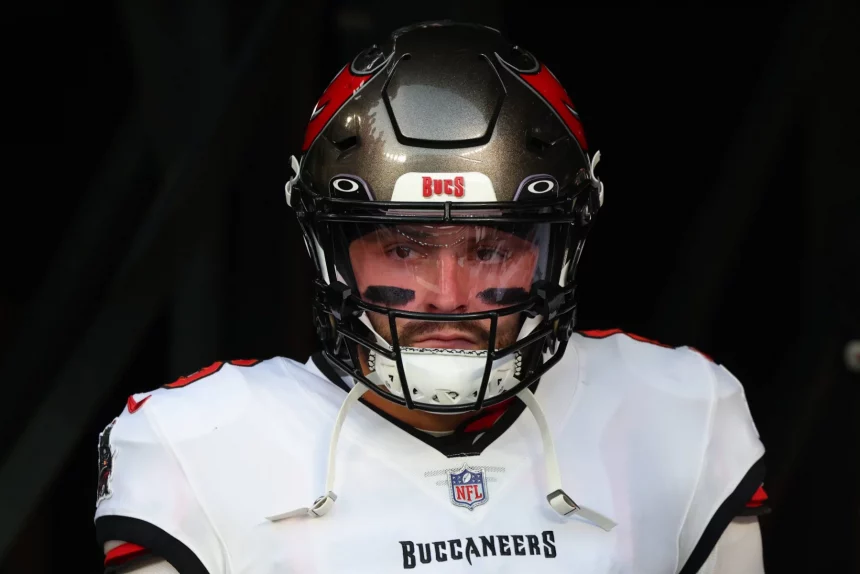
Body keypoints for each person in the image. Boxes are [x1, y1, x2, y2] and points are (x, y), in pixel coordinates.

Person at [93, 21, 769, 573]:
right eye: (404, 248)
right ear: (333, 250)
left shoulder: (680, 411)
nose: (447, 295)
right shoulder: (193, 443)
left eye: (490, 248)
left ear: (557, 247)